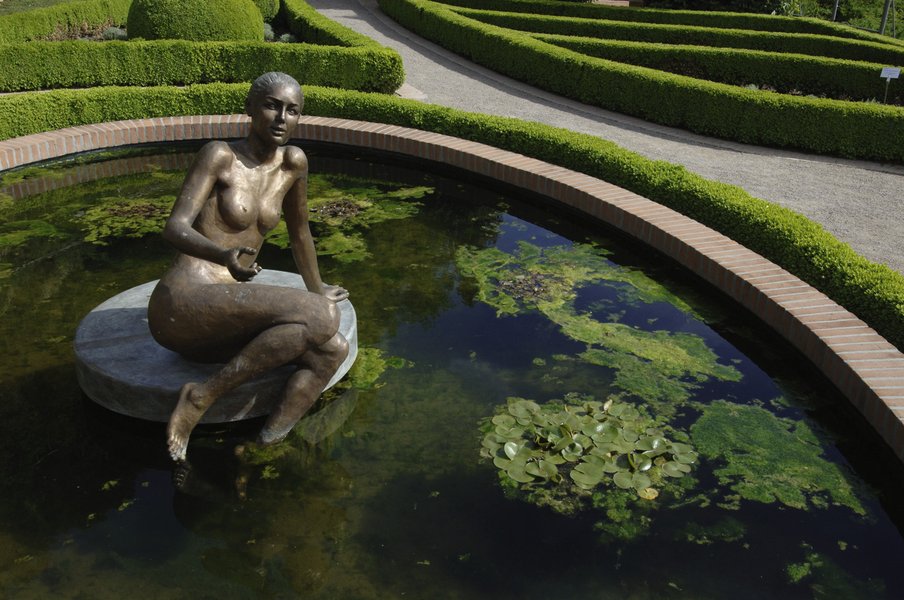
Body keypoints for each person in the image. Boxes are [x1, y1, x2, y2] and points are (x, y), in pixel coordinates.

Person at [147, 72, 349, 462]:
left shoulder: (293, 163)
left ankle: (263, 447)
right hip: (184, 302)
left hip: (228, 310)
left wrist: (317, 287)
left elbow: (300, 233)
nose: (281, 118)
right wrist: (221, 256)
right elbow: (174, 227)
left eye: (292, 111)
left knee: (332, 350)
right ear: (250, 109)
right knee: (323, 316)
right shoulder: (220, 156)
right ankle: (200, 396)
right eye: (272, 106)